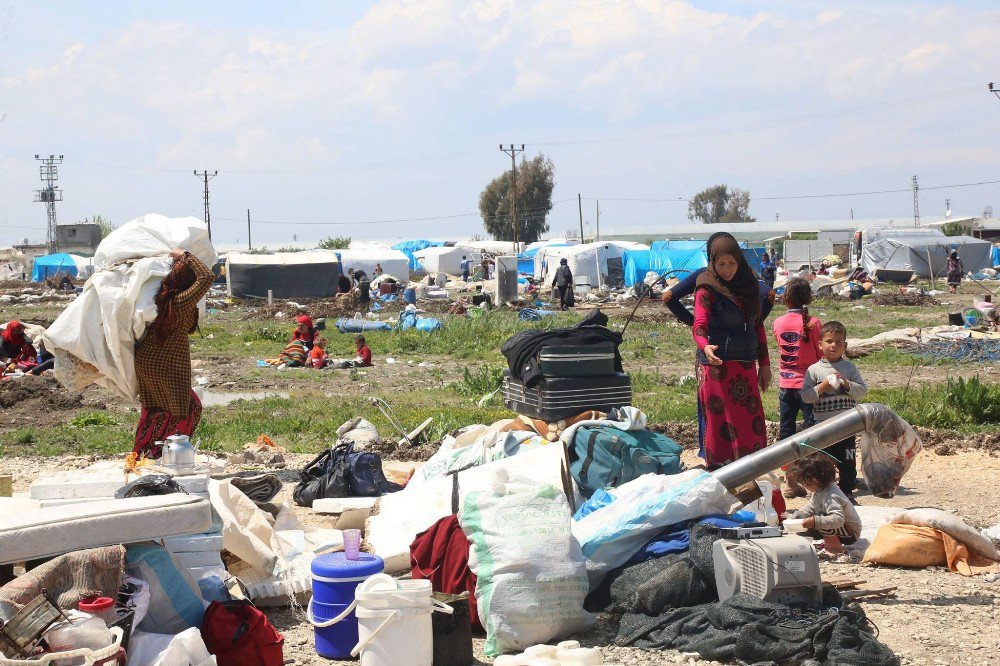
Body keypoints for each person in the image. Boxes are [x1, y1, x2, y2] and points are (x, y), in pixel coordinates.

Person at [692, 233, 771, 468]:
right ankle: (721, 475)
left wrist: (764, 365)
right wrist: (705, 346)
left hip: (745, 365)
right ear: (712, 262)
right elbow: (699, 325)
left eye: (732, 263)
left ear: (740, 261)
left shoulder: (749, 286)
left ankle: (751, 472)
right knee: (721, 425)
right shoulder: (706, 288)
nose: (727, 270)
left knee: (750, 423)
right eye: (721, 264)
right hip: (717, 367)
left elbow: (758, 326)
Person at [133, 248, 214, 459]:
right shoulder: (181, 300)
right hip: (164, 361)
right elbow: (207, 277)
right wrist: (186, 255)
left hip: (149, 358)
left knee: (157, 409)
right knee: (187, 408)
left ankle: (147, 451)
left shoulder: (164, 298)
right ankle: (167, 454)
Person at [801, 321, 868, 497]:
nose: (834, 345)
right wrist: (822, 386)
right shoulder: (814, 370)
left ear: (845, 345)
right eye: (829, 341)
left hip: (846, 427)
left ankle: (846, 493)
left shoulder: (849, 368)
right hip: (823, 427)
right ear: (820, 344)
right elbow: (806, 397)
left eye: (839, 342)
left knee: (848, 462)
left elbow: (862, 391)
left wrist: (846, 383)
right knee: (822, 463)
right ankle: (823, 493)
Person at [773, 277, 822, 498]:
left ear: (785, 299)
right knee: (812, 433)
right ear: (809, 298)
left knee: (786, 433)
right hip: (809, 385)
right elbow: (820, 354)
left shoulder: (778, 323)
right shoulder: (815, 323)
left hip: (786, 384)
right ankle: (812, 481)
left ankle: (790, 482)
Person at [782, 454, 862, 554]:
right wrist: (797, 517)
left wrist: (815, 521)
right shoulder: (819, 491)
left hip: (850, 533)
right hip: (839, 530)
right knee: (806, 523)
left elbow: (838, 519)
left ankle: (834, 547)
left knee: (820, 518)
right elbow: (810, 507)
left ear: (814, 480)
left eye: (804, 483)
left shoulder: (831, 495)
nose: (802, 485)